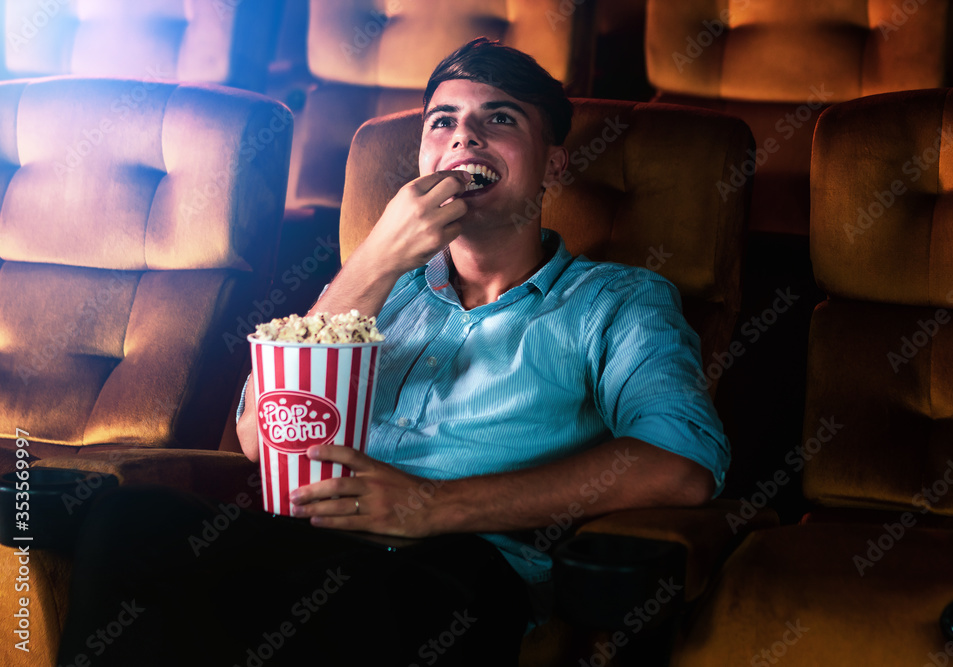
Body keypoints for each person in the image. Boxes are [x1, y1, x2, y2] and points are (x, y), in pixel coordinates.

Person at [57, 38, 729, 666]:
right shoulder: (380, 284)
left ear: (553, 162)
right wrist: (372, 260)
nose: (464, 134)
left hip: (458, 571)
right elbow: (260, 438)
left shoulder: (617, 300)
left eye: (499, 118)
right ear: (422, 160)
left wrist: (434, 504)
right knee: (126, 522)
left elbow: (684, 462)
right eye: (443, 122)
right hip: (311, 546)